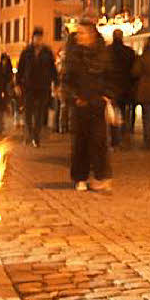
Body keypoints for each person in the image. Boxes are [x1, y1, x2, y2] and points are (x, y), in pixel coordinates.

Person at [61, 20, 112, 191]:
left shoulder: (102, 53)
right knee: (80, 142)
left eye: (82, 33)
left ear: (91, 34)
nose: (79, 36)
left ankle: (101, 176)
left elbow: (110, 76)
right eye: (78, 33)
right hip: (80, 104)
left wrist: (106, 96)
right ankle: (80, 177)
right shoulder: (73, 54)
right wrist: (74, 98)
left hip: (97, 103)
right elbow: (67, 80)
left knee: (99, 141)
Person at [16, 26, 58, 147]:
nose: (38, 40)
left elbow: (52, 69)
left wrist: (56, 82)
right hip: (29, 86)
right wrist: (18, 83)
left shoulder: (47, 52)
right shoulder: (26, 52)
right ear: (33, 38)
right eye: (36, 37)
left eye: (40, 38)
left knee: (40, 113)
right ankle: (29, 134)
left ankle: (36, 137)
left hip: (43, 86)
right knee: (28, 112)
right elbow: (20, 68)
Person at [106, 29, 137, 148]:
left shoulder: (107, 51)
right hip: (126, 87)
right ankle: (123, 132)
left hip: (111, 87)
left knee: (112, 112)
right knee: (123, 111)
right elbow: (134, 71)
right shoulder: (129, 52)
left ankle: (115, 137)